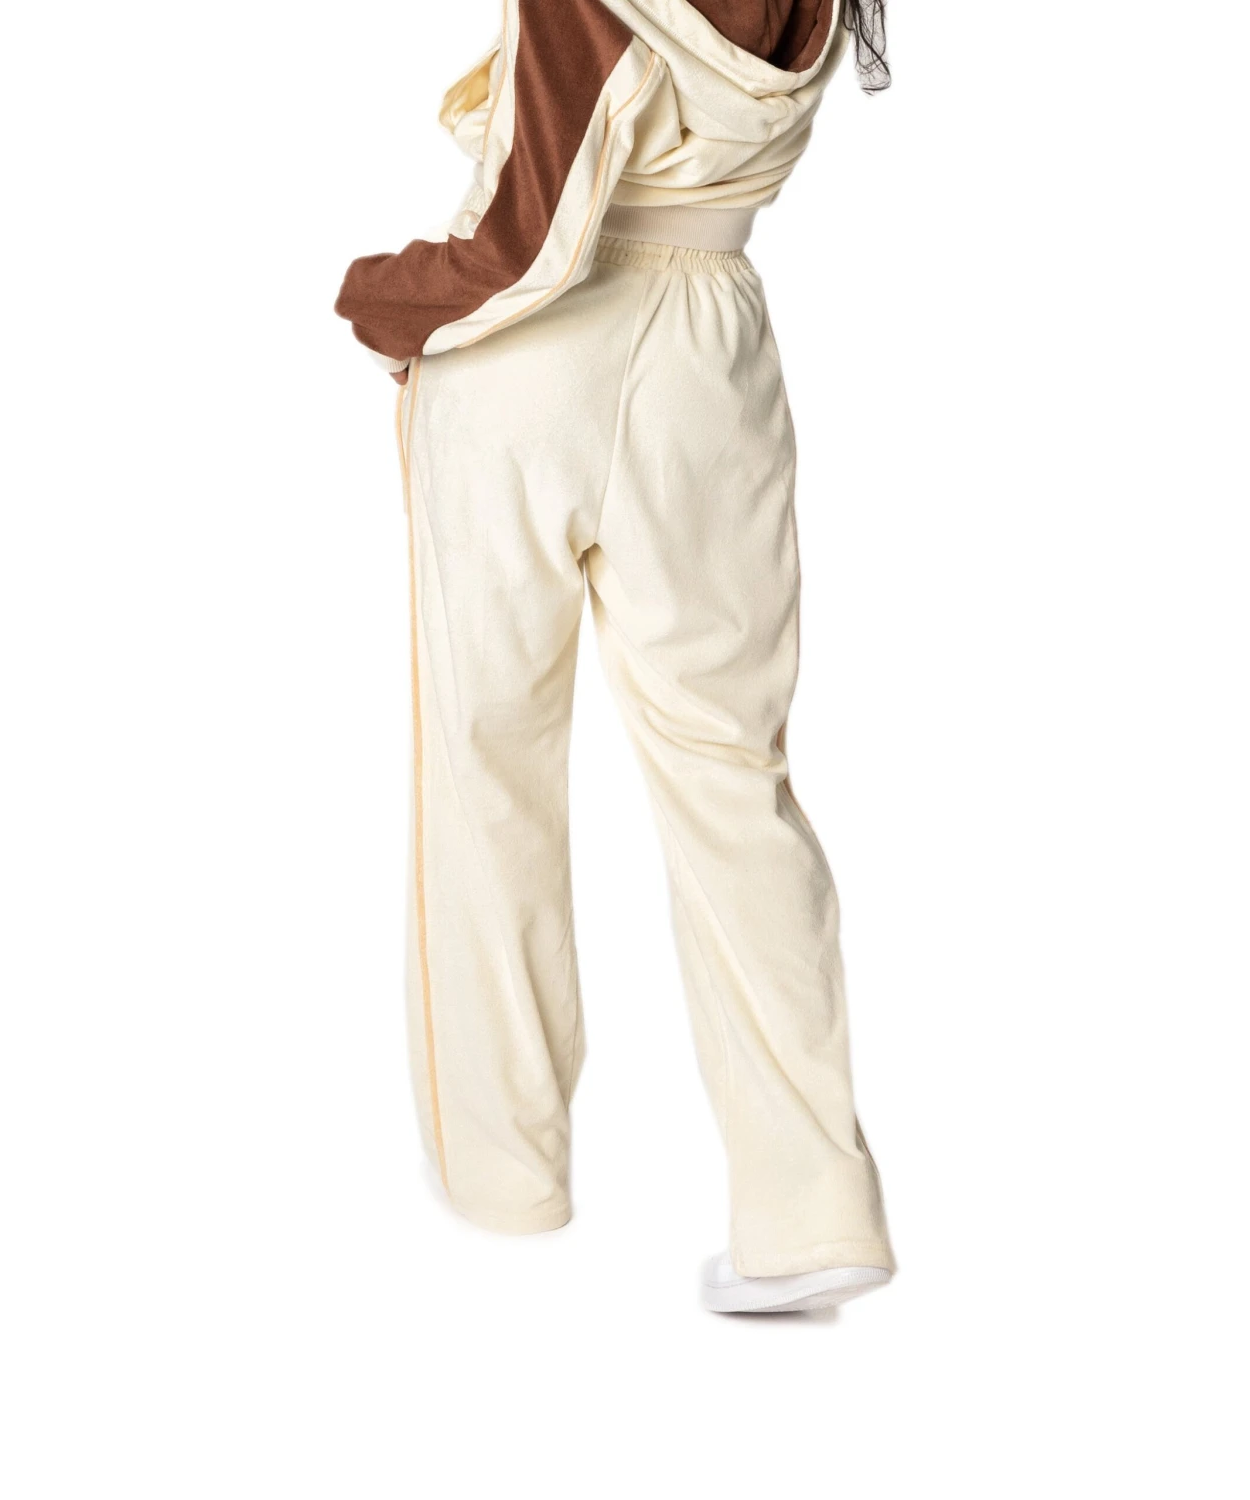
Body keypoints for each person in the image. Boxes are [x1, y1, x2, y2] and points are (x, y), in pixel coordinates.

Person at [335, 0, 896, 1314]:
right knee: (733, 773)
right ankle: (814, 1209)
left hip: (539, 353)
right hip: (718, 347)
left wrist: (382, 301)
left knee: (486, 761)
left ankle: (506, 1177)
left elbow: (527, 241)